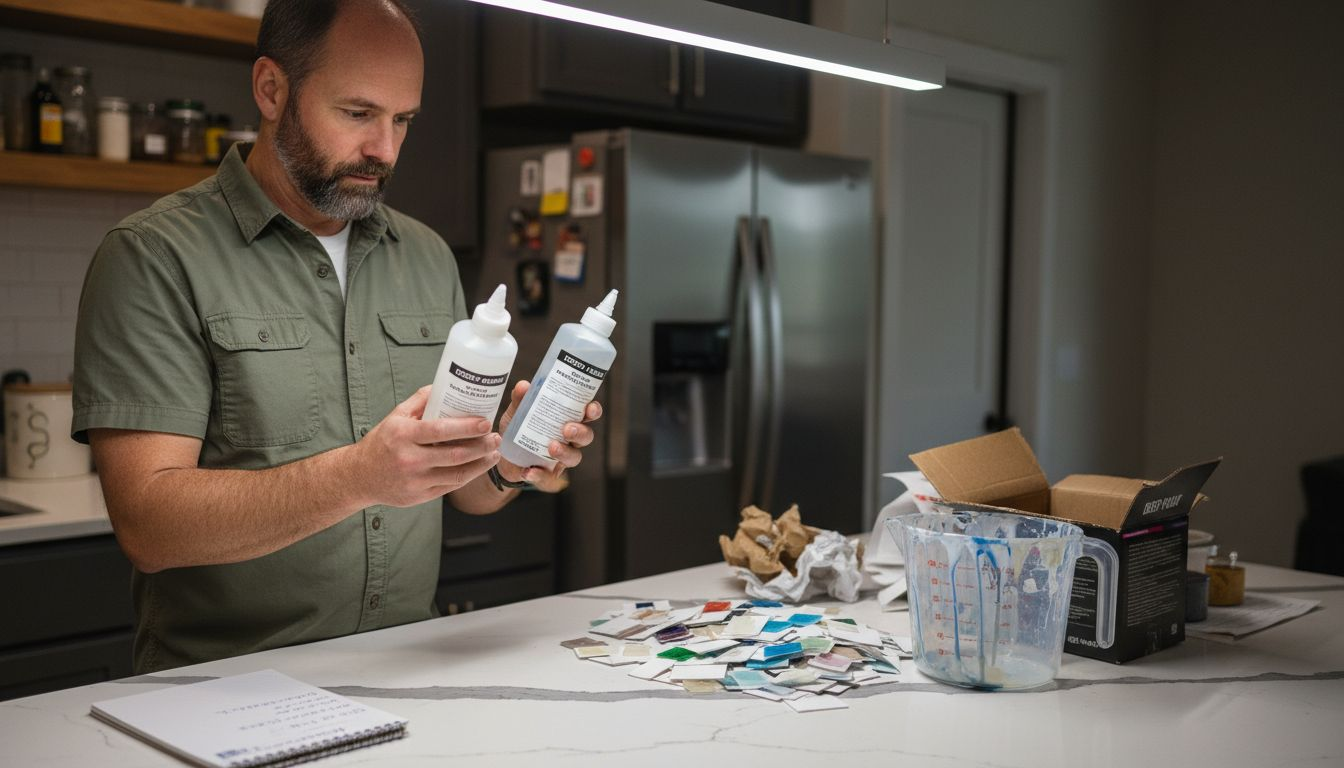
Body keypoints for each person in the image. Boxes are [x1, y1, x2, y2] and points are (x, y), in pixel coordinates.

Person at [71, 0, 600, 674]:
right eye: (358, 113)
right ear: (271, 89)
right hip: (222, 690)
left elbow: (461, 490)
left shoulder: (428, 256)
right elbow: (148, 525)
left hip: (406, 670)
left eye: (402, 120)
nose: (385, 149)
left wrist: (511, 463)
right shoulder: (154, 257)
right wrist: (358, 477)